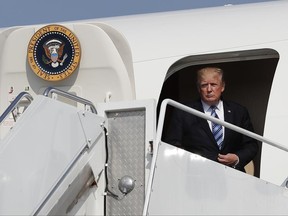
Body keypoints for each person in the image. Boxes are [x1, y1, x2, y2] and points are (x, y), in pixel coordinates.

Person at [164, 66, 258, 172]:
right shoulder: (184, 112)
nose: (209, 89)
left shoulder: (239, 111)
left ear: (222, 87)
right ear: (199, 88)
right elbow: (172, 146)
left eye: (213, 84)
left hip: (232, 176)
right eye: (204, 85)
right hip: (197, 176)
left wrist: (237, 158)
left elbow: (251, 145)